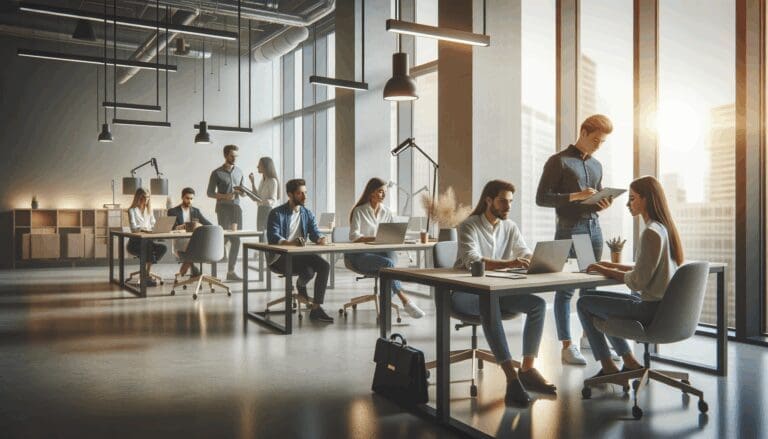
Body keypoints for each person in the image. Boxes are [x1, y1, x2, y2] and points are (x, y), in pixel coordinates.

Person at [454, 179, 555, 406]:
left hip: (496, 291)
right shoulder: (468, 225)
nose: (508, 207)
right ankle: (512, 378)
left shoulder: (510, 227)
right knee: (488, 304)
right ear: (488, 200)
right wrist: (509, 263)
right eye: (502, 201)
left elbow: (524, 252)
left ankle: (527, 370)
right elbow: (474, 261)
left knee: (537, 304)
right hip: (463, 293)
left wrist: (534, 260)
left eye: (510, 202)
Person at [577, 176, 684, 376]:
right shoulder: (663, 229)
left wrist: (606, 271)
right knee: (595, 302)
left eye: (633, 198)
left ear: (646, 200)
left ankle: (608, 367)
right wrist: (609, 265)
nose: (627, 204)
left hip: (649, 310)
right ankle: (629, 361)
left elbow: (637, 281)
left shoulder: (651, 233)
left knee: (584, 303)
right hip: (662, 307)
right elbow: (646, 270)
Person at [535, 114, 616, 365]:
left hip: (594, 229)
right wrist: (576, 195)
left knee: (592, 290)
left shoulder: (596, 165)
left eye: (602, 142)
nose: (598, 145)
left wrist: (601, 203)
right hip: (572, 230)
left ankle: (589, 338)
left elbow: (595, 198)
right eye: (595, 140)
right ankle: (567, 345)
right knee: (567, 290)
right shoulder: (558, 161)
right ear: (582, 132)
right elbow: (542, 198)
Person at [345, 178, 425, 319]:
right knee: (389, 264)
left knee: (391, 263)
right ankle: (405, 300)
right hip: (359, 254)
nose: (383, 195)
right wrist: (375, 238)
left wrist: (400, 238)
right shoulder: (359, 210)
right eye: (380, 191)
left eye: (385, 192)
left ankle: (384, 301)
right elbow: (354, 236)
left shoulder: (386, 211)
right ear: (371, 193)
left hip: (380, 252)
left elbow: (392, 233)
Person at [267, 178, 334, 323]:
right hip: (280, 257)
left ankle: (316, 308)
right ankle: (301, 286)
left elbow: (314, 232)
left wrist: (320, 239)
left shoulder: (307, 213)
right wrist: (290, 243)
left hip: (300, 255)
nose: (305, 197)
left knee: (324, 266)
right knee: (308, 271)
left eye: (305, 193)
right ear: (290, 195)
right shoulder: (277, 213)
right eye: (300, 194)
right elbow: (273, 236)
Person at [207, 144, 245, 281]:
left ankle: (231, 271)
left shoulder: (240, 171)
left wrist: (242, 192)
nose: (234, 158)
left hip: (236, 208)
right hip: (223, 209)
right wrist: (224, 196)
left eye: (236, 156)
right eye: (232, 156)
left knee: (236, 240)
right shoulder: (216, 173)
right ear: (225, 155)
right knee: (224, 238)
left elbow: (243, 193)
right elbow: (209, 193)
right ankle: (213, 269)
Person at [167, 187, 212, 277]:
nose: (189, 201)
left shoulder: (196, 211)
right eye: (187, 198)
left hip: (193, 241)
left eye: (191, 199)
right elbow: (170, 229)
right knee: (194, 245)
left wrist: (199, 225)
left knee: (196, 243)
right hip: (180, 241)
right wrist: (183, 226)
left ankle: (189, 266)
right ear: (182, 197)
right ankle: (192, 267)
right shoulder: (173, 211)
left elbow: (208, 224)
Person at [127, 188, 167, 287]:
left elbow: (153, 223)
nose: (146, 199)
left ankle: (145, 272)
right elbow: (133, 228)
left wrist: (156, 228)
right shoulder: (132, 210)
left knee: (163, 248)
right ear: (138, 197)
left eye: (148, 197)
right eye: (144, 196)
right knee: (148, 246)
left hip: (147, 241)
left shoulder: (149, 210)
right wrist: (145, 229)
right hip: (135, 243)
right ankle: (146, 275)